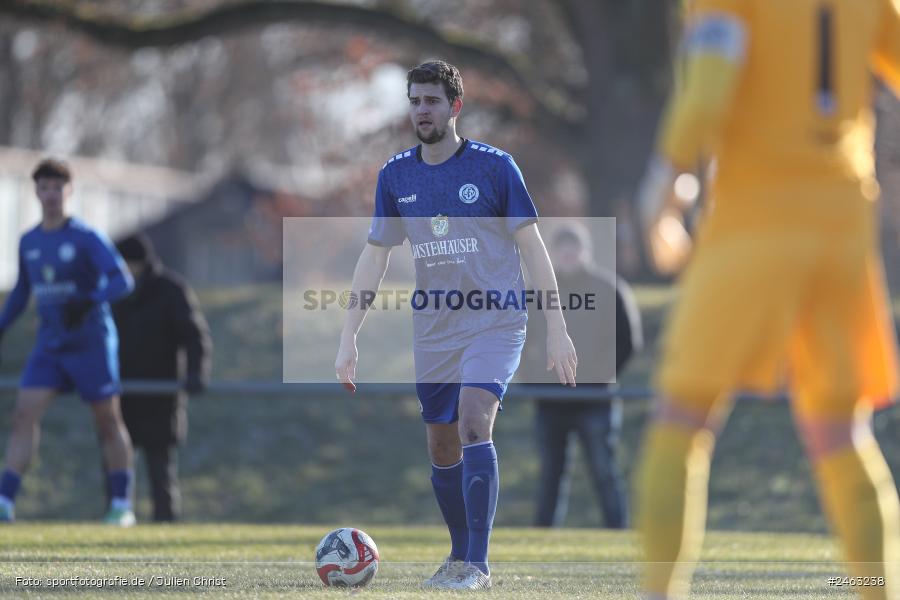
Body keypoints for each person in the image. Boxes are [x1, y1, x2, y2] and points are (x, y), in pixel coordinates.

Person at [634, 1, 900, 599]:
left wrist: (667, 178)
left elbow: (709, 87)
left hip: (758, 211)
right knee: (842, 432)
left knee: (682, 417)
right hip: (843, 216)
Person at [334, 60, 577, 590]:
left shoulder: (495, 168)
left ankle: (478, 566)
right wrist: (349, 334)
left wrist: (556, 326)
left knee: (473, 422)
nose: (422, 110)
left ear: (454, 107)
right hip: (435, 329)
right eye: (415, 101)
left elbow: (533, 250)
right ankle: (459, 555)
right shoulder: (396, 175)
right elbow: (375, 255)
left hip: (496, 321)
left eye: (432, 101)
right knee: (442, 447)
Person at [0, 159, 136, 525]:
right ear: (36, 192)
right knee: (23, 414)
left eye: (57, 187)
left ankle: (122, 505)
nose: (50, 195)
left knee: (108, 421)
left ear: (69, 191)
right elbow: (20, 295)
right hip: (50, 345)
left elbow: (122, 280)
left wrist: (90, 300)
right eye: (44, 187)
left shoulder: (86, 237)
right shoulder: (29, 242)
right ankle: (5, 502)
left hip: (91, 342)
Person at [524, 223, 642, 529]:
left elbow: (628, 340)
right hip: (550, 399)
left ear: (584, 251)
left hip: (595, 398)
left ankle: (618, 532)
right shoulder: (537, 293)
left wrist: (599, 373)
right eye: (561, 249)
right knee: (550, 474)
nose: (567, 255)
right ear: (552, 254)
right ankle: (541, 539)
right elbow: (520, 338)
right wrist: (531, 377)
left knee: (605, 471)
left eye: (573, 248)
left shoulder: (608, 289)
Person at [107, 233, 212, 522]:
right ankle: (116, 521)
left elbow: (194, 336)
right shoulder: (113, 289)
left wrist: (195, 373)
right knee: (117, 467)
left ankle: (165, 528)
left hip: (160, 394)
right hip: (121, 392)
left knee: (160, 469)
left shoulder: (171, 289)